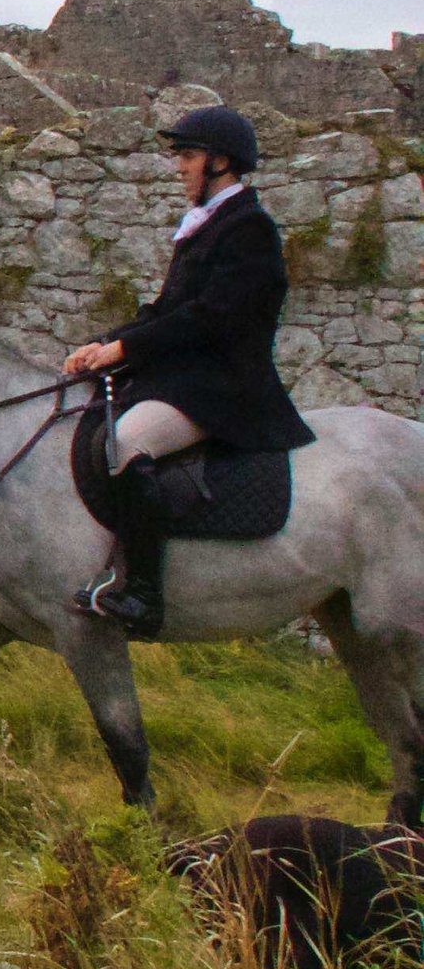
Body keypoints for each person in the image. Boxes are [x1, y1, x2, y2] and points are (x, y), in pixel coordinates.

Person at [61, 103, 313, 636]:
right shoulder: (206, 225)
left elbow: (209, 318)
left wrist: (126, 351)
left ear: (221, 162)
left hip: (225, 388)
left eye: (188, 155)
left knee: (127, 441)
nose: (178, 166)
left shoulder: (249, 228)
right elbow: (166, 310)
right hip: (187, 379)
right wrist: (103, 344)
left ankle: (144, 596)